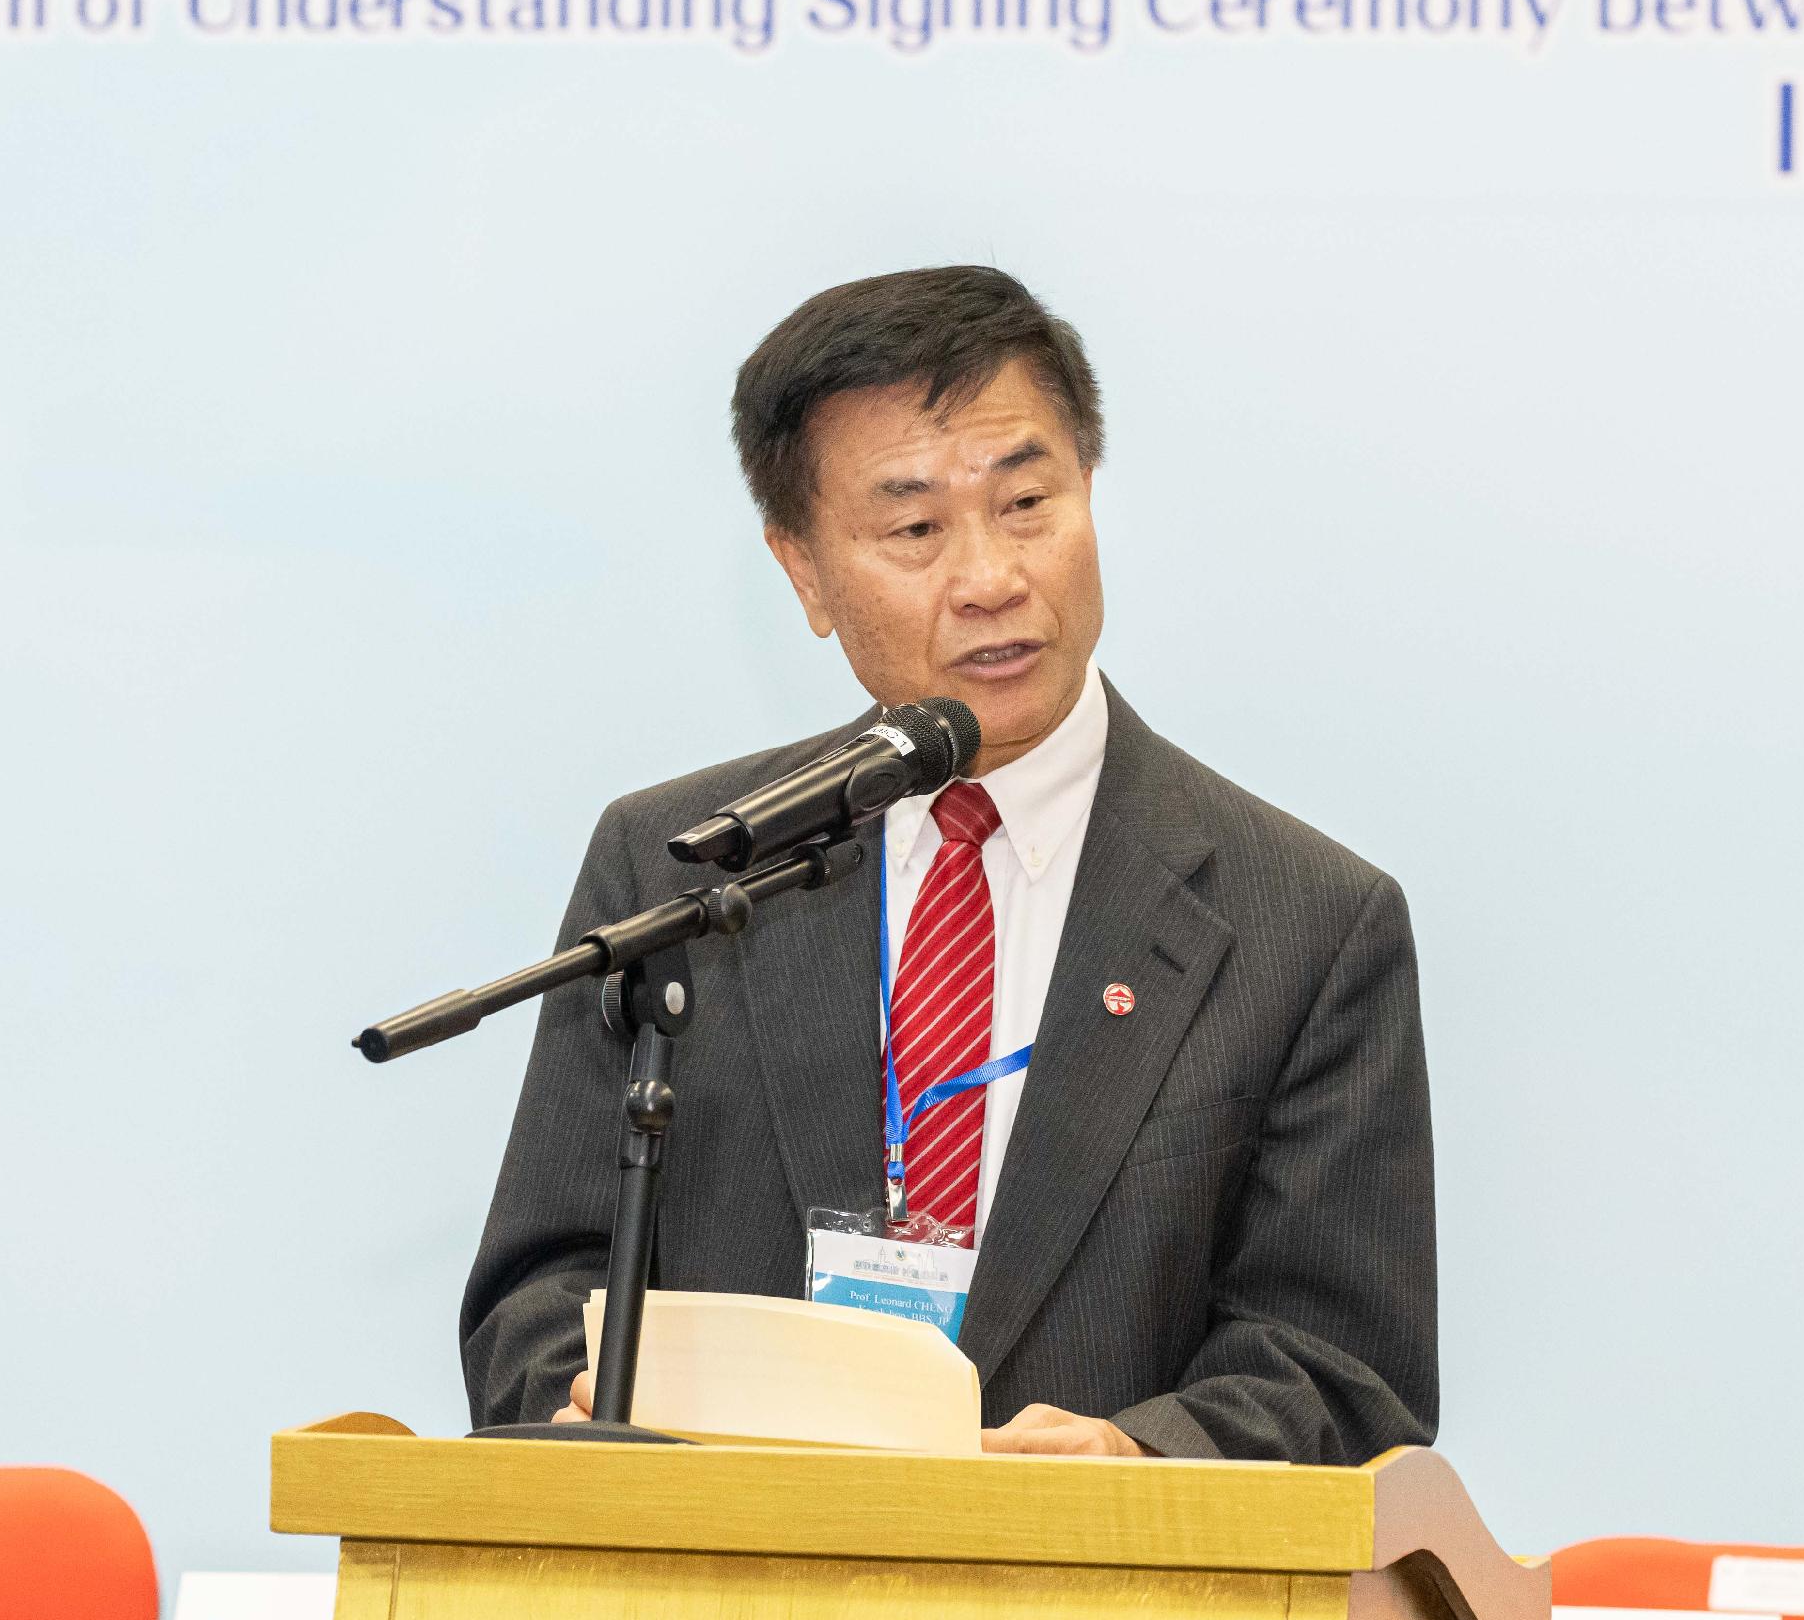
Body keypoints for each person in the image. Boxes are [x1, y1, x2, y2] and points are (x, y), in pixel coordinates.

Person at [458, 266, 1438, 1461]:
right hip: (726, 1606)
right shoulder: (675, 870)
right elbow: (541, 1295)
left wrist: (1141, 1461)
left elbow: (1343, 1375)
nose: (991, 577)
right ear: (806, 573)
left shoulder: (1305, 922)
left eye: (1028, 502)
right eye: (916, 529)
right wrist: (607, 1417)